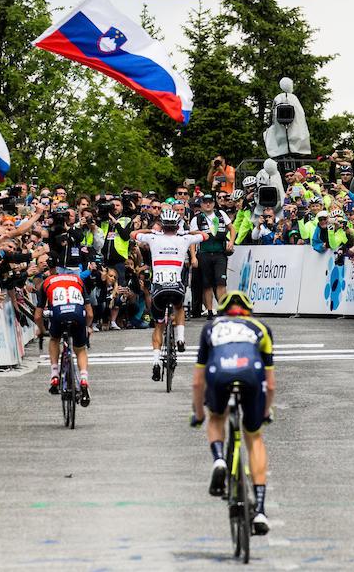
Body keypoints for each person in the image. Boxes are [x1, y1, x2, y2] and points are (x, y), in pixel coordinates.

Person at [190, 291, 275, 536]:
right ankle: (259, 509)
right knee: (254, 436)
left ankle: (218, 459)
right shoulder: (261, 327)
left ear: (223, 311)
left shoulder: (211, 328)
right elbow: (270, 384)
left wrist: (198, 414)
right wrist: (265, 412)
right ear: (248, 310)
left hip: (219, 373)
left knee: (217, 417)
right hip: (251, 374)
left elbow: (197, 382)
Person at [132, 208, 207, 381]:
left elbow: (133, 233)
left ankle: (156, 362)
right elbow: (205, 235)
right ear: (176, 225)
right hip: (175, 287)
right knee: (179, 307)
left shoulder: (153, 237)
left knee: (159, 325)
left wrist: (151, 230)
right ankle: (180, 339)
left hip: (158, 289)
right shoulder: (184, 238)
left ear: (163, 226)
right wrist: (186, 231)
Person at [35, 267, 93, 407]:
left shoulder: (46, 283)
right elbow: (90, 313)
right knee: (80, 349)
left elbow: (37, 315)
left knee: (54, 340)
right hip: (77, 314)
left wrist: (42, 330)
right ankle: (84, 379)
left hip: (58, 313)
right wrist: (87, 327)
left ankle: (54, 374)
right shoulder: (78, 280)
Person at [190, 194, 234, 318]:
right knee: (207, 284)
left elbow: (232, 228)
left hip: (220, 254)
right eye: (205, 202)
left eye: (210, 202)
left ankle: (222, 309)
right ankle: (209, 310)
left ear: (213, 204)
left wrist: (231, 242)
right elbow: (193, 240)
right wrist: (193, 257)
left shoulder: (221, 214)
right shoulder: (197, 219)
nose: (208, 204)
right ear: (202, 204)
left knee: (221, 282)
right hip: (204, 254)